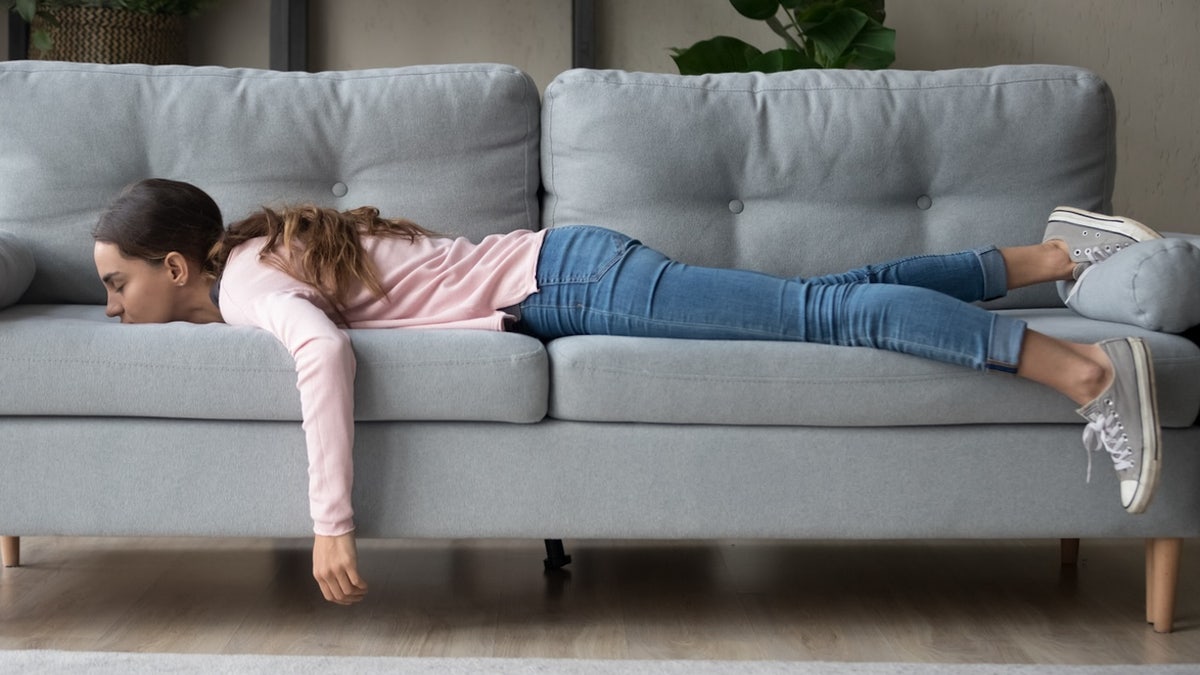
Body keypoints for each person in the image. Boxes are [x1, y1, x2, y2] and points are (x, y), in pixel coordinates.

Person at [92, 178, 1164, 605]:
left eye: (116, 284)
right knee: (812, 296)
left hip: (571, 280)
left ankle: (1088, 373)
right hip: (569, 271)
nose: (109, 306)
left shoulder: (242, 288)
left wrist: (332, 524)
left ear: (177, 268)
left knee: (819, 318)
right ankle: (1051, 259)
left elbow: (322, 356)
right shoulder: (247, 261)